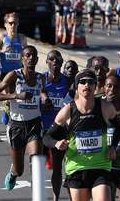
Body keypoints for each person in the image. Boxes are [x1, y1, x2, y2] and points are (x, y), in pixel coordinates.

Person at [42, 69, 120, 201]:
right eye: (82, 82)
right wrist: (56, 144)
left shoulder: (105, 107)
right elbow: (46, 137)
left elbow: (118, 127)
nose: (87, 85)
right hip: (76, 168)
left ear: (95, 86)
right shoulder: (68, 111)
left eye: (90, 82)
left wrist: (112, 146)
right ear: (77, 87)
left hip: (100, 166)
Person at [0, 45, 50, 191]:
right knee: (20, 170)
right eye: (27, 55)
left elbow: (42, 92)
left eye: (33, 56)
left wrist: (45, 99)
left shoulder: (40, 77)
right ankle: (13, 173)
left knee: (36, 161)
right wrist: (16, 96)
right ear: (22, 58)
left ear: (37, 59)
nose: (30, 58)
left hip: (34, 124)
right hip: (16, 125)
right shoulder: (14, 75)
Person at [42, 50, 72, 201]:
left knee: (58, 167)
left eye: (58, 60)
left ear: (61, 63)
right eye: (51, 59)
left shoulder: (67, 81)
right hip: (42, 127)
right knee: (36, 164)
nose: (55, 62)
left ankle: (56, 198)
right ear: (47, 62)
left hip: (59, 129)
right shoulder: (41, 79)